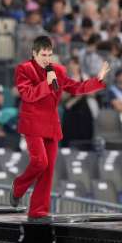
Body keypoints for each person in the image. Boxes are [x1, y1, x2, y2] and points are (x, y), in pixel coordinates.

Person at [10, 36, 110, 222]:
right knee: (40, 162)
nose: (47, 59)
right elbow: (28, 95)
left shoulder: (57, 70)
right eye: (43, 55)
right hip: (32, 123)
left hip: (51, 124)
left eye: (49, 54)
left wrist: (97, 80)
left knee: (48, 170)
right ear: (34, 53)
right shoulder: (24, 69)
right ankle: (18, 187)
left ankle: (38, 212)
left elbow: (75, 88)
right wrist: (48, 83)